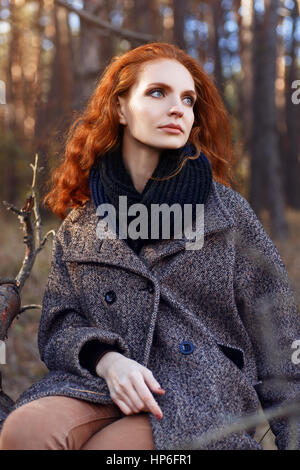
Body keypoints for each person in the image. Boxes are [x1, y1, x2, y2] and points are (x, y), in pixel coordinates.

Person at [0, 42, 299, 450]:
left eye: (188, 99)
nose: (177, 108)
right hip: (102, 385)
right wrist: (108, 360)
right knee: (24, 433)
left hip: (199, 396)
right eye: (157, 92)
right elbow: (59, 323)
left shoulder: (228, 213)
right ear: (120, 107)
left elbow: (281, 342)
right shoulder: (82, 222)